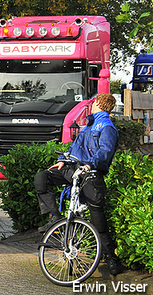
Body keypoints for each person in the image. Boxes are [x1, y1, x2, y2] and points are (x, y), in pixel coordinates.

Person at [34, 93, 121, 276]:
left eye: (93, 103)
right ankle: (55, 219)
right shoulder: (87, 125)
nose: (91, 105)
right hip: (73, 169)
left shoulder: (107, 127)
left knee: (98, 220)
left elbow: (105, 151)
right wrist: (62, 161)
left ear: (99, 104)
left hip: (90, 174)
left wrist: (90, 164)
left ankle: (111, 258)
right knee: (42, 177)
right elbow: (74, 148)